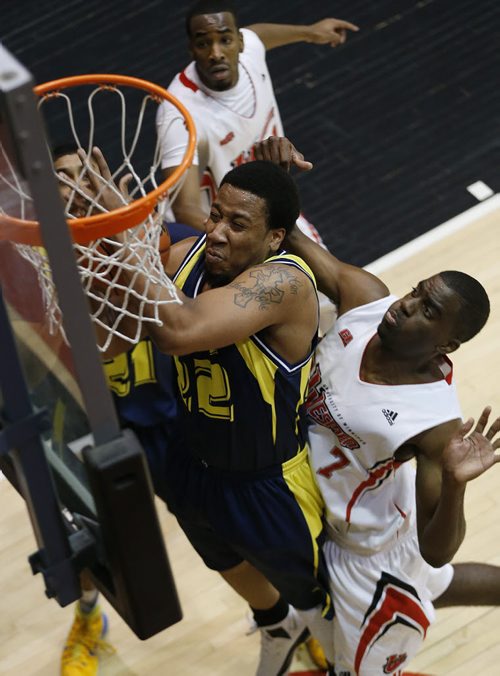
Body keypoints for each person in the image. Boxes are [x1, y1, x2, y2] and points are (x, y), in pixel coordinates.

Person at [254, 136, 500, 675]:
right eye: (416, 291)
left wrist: (456, 482)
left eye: (426, 310)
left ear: (446, 345)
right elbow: (289, 236)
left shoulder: (434, 424)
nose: (406, 305)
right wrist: (275, 179)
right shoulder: (367, 299)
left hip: (367, 554)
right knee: (434, 584)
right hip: (322, 510)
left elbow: (437, 550)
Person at [100, 154, 337, 675]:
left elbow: (177, 332)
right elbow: (108, 337)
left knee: (324, 597)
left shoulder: (284, 284)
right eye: (215, 214)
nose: (218, 232)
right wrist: (95, 239)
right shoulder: (185, 256)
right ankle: (278, 627)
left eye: (238, 223)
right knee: (223, 557)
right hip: (194, 463)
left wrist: (127, 238)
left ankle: (338, 649)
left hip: (269, 482)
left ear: (275, 237)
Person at [53, 145, 182, 676]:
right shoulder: (34, 255)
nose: (76, 186)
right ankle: (88, 617)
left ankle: (278, 618)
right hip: (87, 414)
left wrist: (124, 218)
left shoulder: (143, 235)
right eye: (63, 178)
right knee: (76, 529)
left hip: (160, 407)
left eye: (88, 175)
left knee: (211, 525)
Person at [156, 0, 358, 334]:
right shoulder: (179, 112)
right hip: (219, 230)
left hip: (265, 214)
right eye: (204, 43)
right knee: (264, 322)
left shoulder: (250, 50)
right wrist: (242, 234)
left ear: (238, 41)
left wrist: (311, 33)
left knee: (331, 297)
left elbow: (260, 36)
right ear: (192, 48)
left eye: (225, 39)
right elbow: (186, 207)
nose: (216, 52)